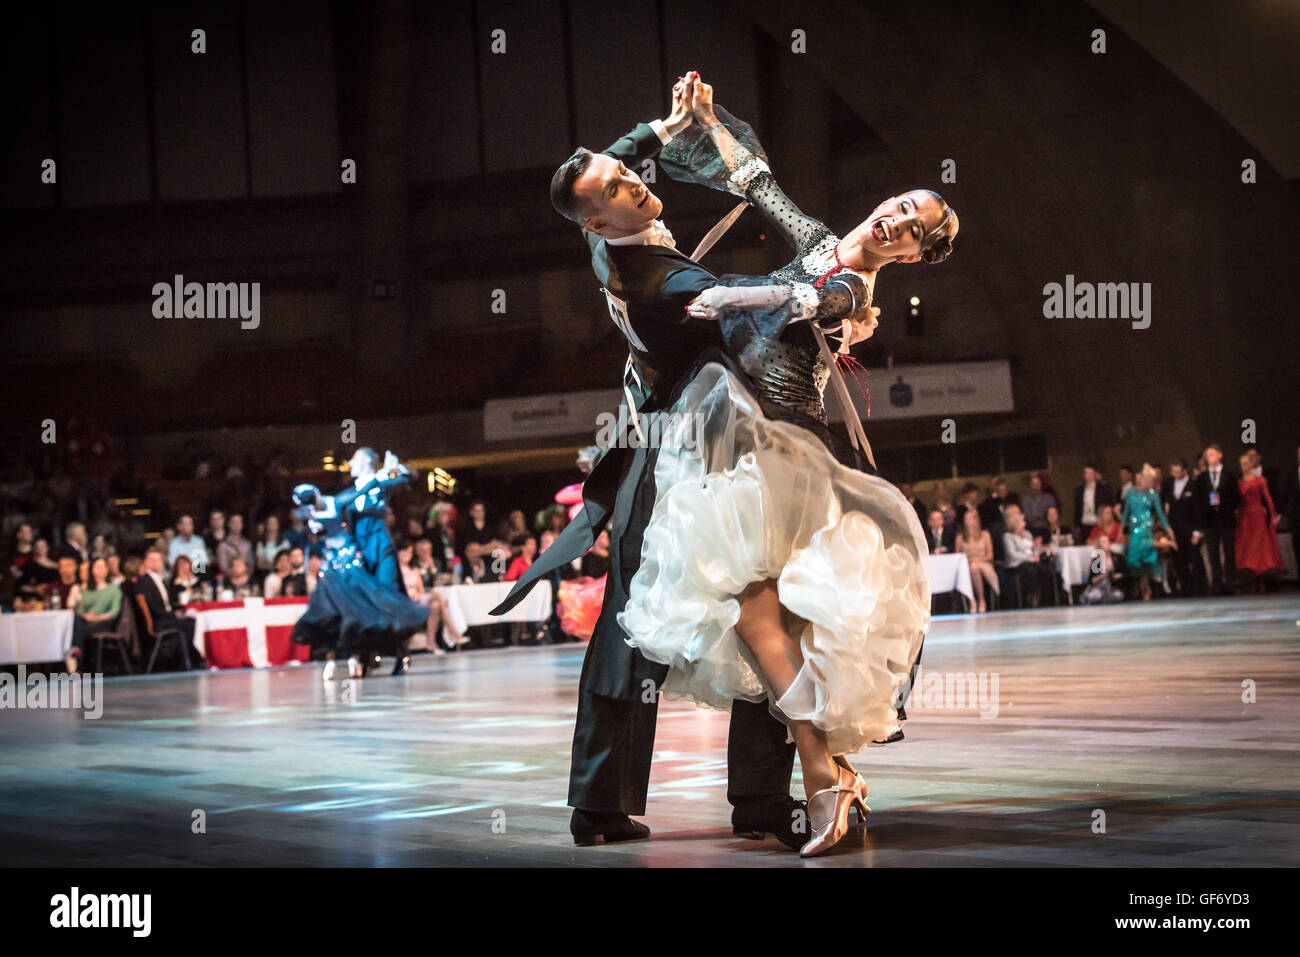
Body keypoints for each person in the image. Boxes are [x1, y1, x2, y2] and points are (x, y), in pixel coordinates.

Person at [494, 72, 881, 850]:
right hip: (683, 449)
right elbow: (758, 300)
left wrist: (667, 128)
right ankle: (625, 800)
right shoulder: (664, 279)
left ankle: (752, 797)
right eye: (620, 187)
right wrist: (842, 300)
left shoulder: (599, 222)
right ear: (598, 220)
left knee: (762, 601)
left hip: (686, 429)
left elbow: (616, 156)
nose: (636, 183)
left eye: (630, 174)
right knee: (655, 611)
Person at [617, 79, 957, 855]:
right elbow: (758, 184)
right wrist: (703, 118)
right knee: (770, 622)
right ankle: (830, 775)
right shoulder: (825, 240)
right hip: (750, 440)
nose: (896, 217)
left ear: (911, 253)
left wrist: (728, 301)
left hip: (787, 448)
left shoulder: (851, 285)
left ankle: (823, 775)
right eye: (901, 202)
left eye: (913, 225)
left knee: (755, 611)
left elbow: (808, 302)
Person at [290, 449, 430, 680]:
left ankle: (400, 652)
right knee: (363, 604)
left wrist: (395, 470)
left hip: (378, 545)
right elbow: (336, 507)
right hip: (358, 548)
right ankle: (367, 656)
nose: (350, 464)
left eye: (354, 460)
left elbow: (410, 477)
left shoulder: (382, 484)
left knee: (384, 598)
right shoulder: (352, 490)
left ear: (366, 461)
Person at [1122, 464, 1176, 602]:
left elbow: (1160, 513)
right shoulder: (1131, 493)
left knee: (1146, 558)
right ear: (1143, 479)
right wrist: (1121, 530)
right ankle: (1141, 586)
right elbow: (1126, 512)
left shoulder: (1153, 495)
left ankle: (1146, 587)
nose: (1152, 484)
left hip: (1146, 528)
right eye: (1150, 481)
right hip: (1135, 528)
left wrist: (1168, 529)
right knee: (1135, 559)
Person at [1193, 444, 1241, 595]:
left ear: (1220, 455)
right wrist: (1201, 522)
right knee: (1213, 554)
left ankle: (1231, 583)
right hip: (1209, 520)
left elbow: (1236, 497)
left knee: (1229, 552)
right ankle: (1216, 584)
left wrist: (1227, 508)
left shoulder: (1230, 476)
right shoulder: (1201, 478)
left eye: (1212, 454)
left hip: (1226, 518)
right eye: (1207, 455)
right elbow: (1197, 501)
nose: (1209, 458)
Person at [1234, 452, 1284, 591]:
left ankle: (1263, 580)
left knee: (1260, 547)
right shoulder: (1239, 482)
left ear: (1250, 464)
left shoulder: (1260, 480)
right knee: (1247, 548)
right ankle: (1251, 580)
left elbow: (1268, 498)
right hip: (1245, 517)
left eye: (1245, 463)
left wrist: (1273, 516)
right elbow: (1237, 502)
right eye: (1241, 464)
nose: (1243, 467)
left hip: (1258, 516)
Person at [67, 557, 123, 674]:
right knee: (76, 621)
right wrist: (87, 616)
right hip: (85, 622)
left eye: (103, 567)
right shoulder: (86, 589)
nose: (100, 570)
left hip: (104, 622)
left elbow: (114, 612)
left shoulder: (114, 588)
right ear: (92, 570)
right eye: (97, 567)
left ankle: (76, 662)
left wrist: (96, 618)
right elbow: (79, 611)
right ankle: (77, 661)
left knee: (76, 629)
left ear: (107, 569)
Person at [1163, 460, 1204, 596]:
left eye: (1177, 470)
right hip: (1175, 529)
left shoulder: (1193, 485)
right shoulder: (1169, 484)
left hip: (1190, 528)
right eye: (1172, 470)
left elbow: (1198, 509)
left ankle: (1200, 588)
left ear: (1184, 470)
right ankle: (1186, 588)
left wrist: (1197, 531)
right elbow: (1166, 504)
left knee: (1195, 558)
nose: (1174, 473)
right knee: (1179, 559)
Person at [955, 509, 999, 613]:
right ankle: (973, 600)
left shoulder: (985, 535)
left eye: (970, 518)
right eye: (966, 518)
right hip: (966, 565)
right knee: (971, 568)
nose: (968, 520)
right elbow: (958, 557)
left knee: (974, 567)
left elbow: (990, 556)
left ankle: (980, 600)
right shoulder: (960, 538)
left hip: (984, 564)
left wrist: (975, 559)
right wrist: (969, 561)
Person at [1079, 536, 1125, 605]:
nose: (1107, 543)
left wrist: (1115, 576)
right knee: (1096, 596)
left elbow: (1124, 573)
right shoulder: (1097, 559)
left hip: (1112, 587)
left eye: (1108, 541)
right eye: (1104, 542)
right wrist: (1103, 576)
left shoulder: (1117, 557)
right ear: (1099, 545)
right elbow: (1092, 580)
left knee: (1118, 595)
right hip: (1098, 587)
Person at [1073, 465, 1114, 542]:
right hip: (1084, 524)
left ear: (1095, 474)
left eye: (1091, 473)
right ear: (1084, 475)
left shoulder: (1103, 489)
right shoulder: (1079, 490)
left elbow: (1108, 505)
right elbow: (1077, 509)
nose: (1089, 476)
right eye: (1087, 473)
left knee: (1098, 548)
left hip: (1098, 524)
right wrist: (1076, 525)